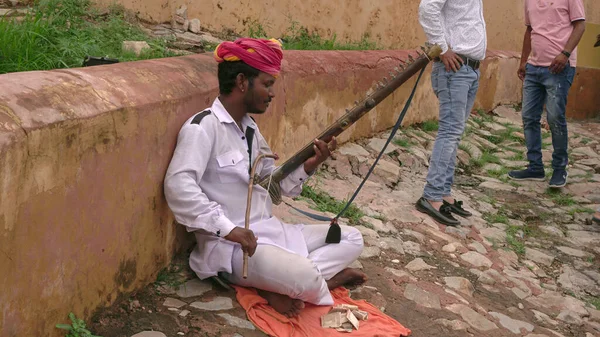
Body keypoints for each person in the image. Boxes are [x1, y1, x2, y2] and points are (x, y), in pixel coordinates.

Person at [164, 38, 365, 318]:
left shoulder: (250, 130)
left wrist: (308, 166)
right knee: (303, 273)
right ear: (243, 82)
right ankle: (312, 281)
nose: (272, 93)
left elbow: (274, 187)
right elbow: (178, 186)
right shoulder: (202, 128)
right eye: (267, 84)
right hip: (234, 247)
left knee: (353, 238)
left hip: (270, 231)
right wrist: (228, 229)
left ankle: (285, 284)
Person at [415, 0, 487, 226]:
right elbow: (427, 8)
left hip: (468, 69)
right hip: (454, 68)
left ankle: (443, 192)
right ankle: (431, 195)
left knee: (455, 132)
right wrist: (442, 49)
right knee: (450, 131)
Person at [508, 0, 586, 188]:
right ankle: (535, 167)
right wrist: (523, 60)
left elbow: (580, 26)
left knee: (554, 118)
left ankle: (560, 168)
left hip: (559, 68)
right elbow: (530, 30)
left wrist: (565, 54)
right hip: (533, 67)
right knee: (529, 117)